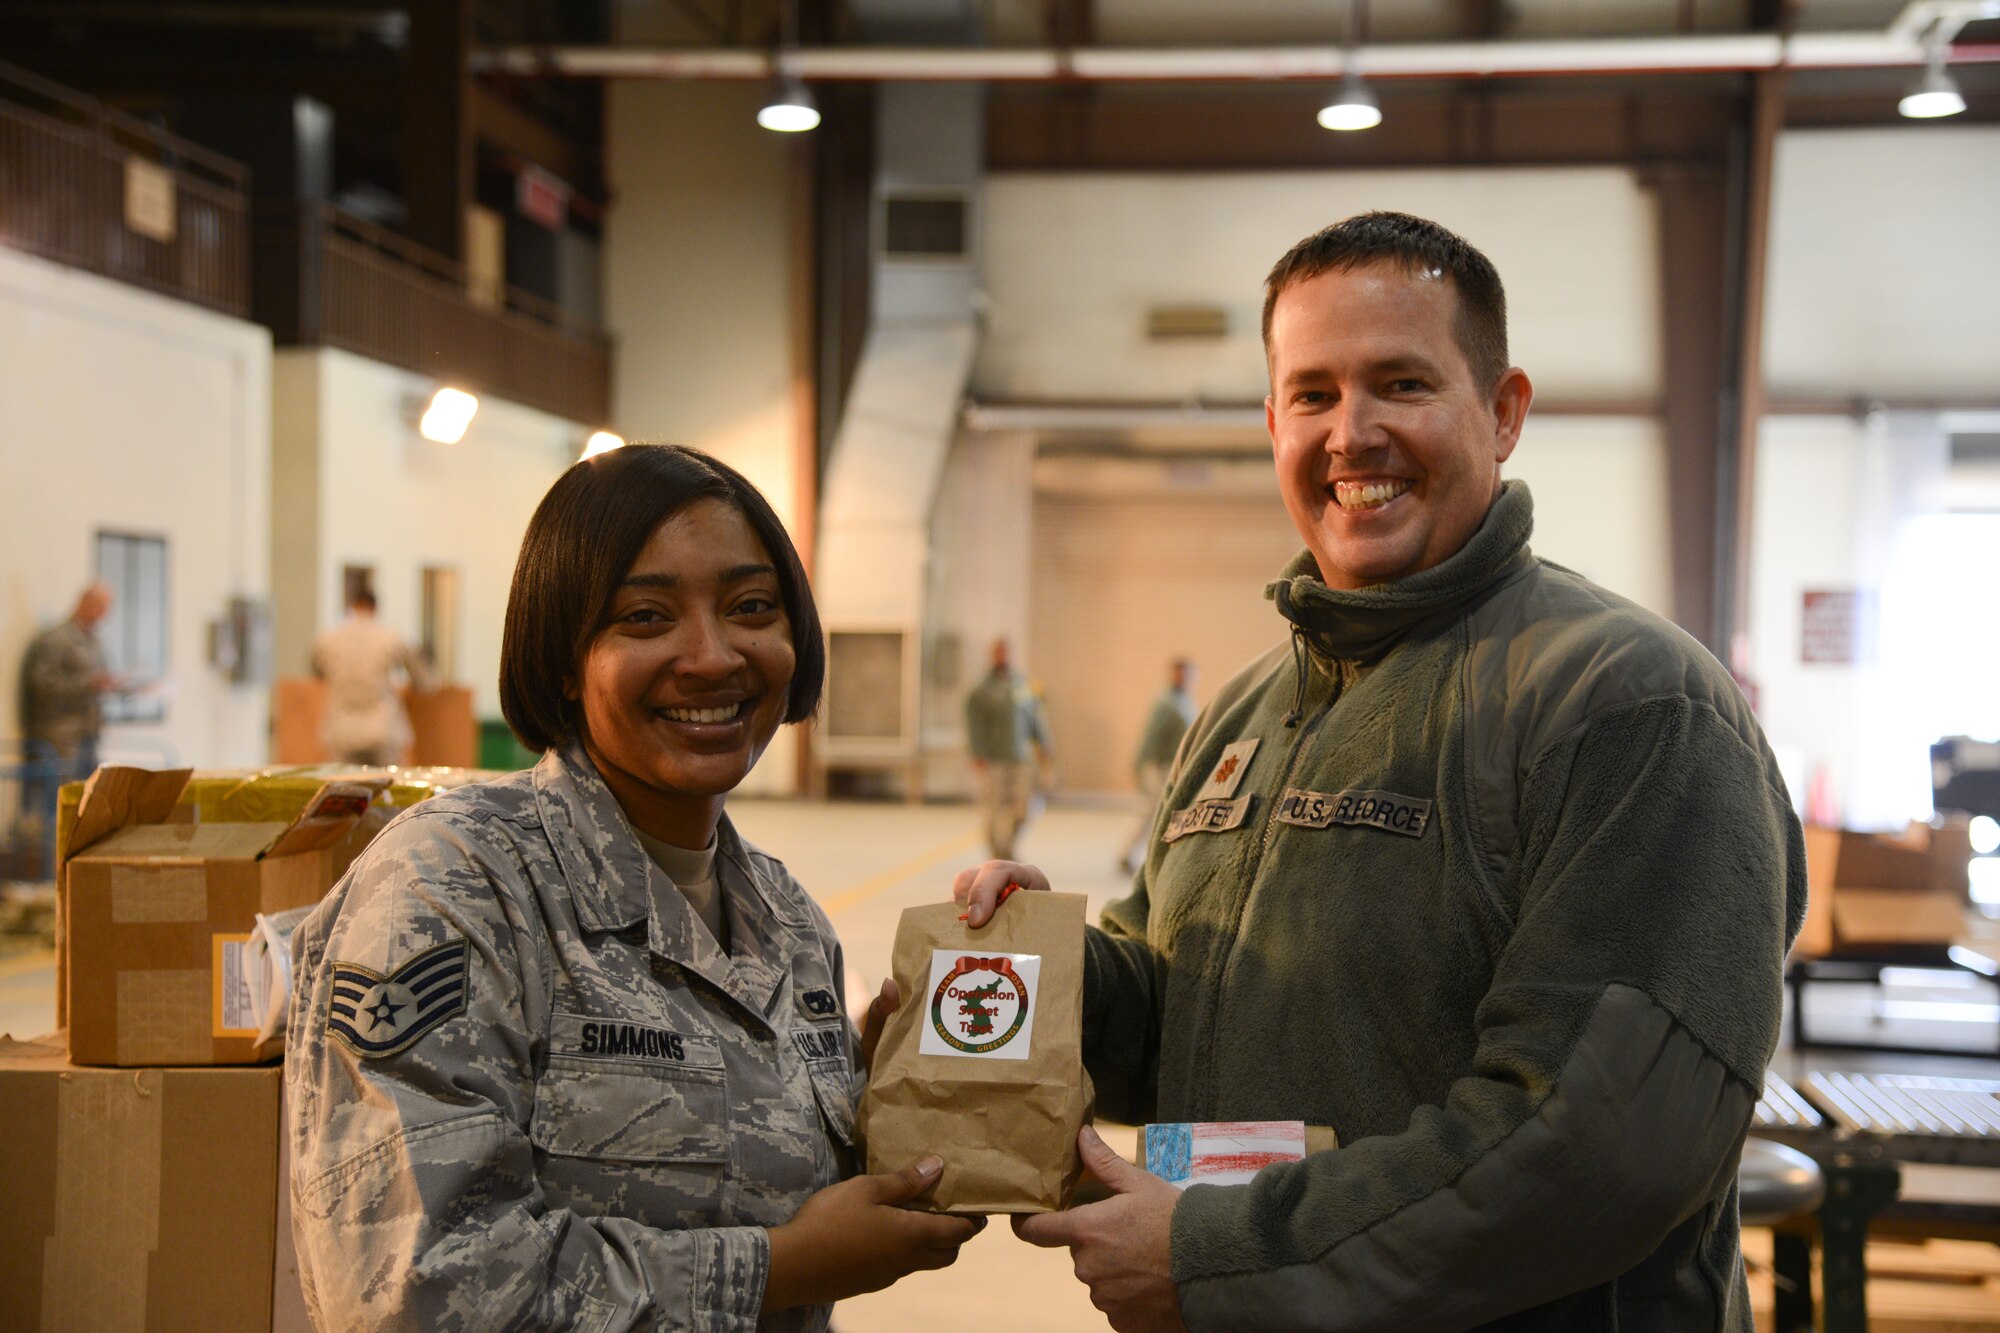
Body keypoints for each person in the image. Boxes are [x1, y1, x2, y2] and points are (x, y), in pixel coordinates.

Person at [957, 212, 1806, 1331]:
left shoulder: (1629, 704)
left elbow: (1591, 1141)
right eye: (1310, 394)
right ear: (1271, 423)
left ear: (1501, 414)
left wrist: (1222, 1255)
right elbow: (1180, 1006)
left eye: (1399, 384)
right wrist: (1034, 979)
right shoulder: (1249, 708)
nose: (1349, 433)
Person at [286, 444, 979, 1330]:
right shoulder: (453, 886)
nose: (713, 655)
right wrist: (774, 1270)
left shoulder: (786, 918)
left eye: (752, 607)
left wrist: (928, 1073)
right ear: (566, 661)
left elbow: (774, 1171)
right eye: (647, 616)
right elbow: (417, 1289)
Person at [16, 583, 121, 864]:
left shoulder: (92, 641)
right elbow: (42, 685)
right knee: (59, 803)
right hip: (60, 735)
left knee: (87, 802)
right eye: (100, 607)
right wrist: (89, 683)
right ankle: (52, 865)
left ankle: (80, 864)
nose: (103, 615)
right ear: (84, 603)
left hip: (88, 732)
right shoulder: (55, 640)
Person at [311, 588, 427, 765]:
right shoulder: (391, 638)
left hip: (341, 730)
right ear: (375, 607)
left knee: (345, 788)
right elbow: (424, 680)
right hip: (382, 727)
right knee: (388, 788)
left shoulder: (327, 639)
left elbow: (317, 673)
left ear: (351, 606)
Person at [963, 637, 1053, 860]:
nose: (1002, 656)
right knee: (993, 810)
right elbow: (974, 725)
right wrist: (977, 753)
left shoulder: (1022, 684)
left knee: (1025, 809)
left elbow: (1035, 717)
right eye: (998, 652)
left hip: (1020, 758)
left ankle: (1009, 844)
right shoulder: (981, 690)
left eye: (1006, 652)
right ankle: (996, 853)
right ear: (991, 655)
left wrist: (1045, 744)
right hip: (995, 759)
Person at [1119, 657, 1197, 874]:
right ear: (1173, 674)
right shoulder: (1165, 702)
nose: (1185, 677)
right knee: (1149, 811)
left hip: (1170, 767)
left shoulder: (1184, 700)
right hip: (1156, 766)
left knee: (1157, 812)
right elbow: (1150, 736)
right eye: (1181, 673)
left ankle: (1137, 854)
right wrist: (1141, 766)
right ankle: (1126, 854)